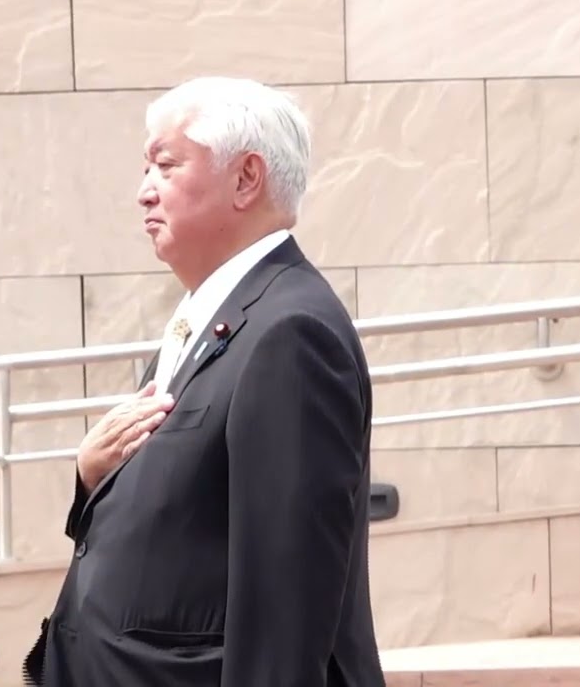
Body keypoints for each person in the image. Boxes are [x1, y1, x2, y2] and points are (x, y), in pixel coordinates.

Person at [23, 76, 385, 686]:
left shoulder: (290, 333)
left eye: (165, 165)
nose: (144, 191)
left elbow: (285, 606)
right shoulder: (213, 314)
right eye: (146, 168)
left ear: (246, 179)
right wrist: (93, 478)